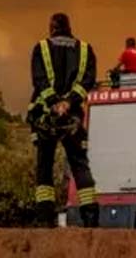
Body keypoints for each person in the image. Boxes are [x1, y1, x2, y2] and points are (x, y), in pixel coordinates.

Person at [27, 13, 99, 228]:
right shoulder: (86, 49)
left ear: (52, 27)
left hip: (46, 115)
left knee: (45, 165)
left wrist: (54, 103)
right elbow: (88, 80)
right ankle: (91, 218)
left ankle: (45, 219)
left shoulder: (41, 47)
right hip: (73, 116)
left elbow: (39, 79)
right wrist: (69, 102)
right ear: (69, 27)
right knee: (79, 164)